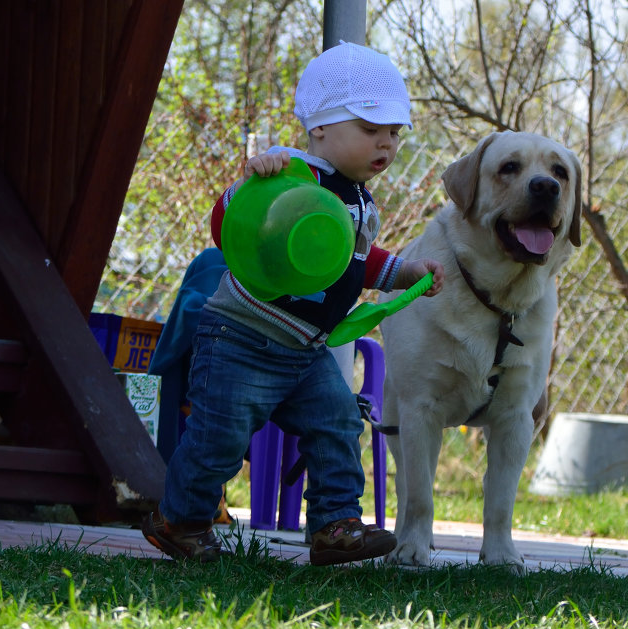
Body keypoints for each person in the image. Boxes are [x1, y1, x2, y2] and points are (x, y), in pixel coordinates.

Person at [144, 41, 445, 566]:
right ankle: (181, 520)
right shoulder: (292, 175)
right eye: (371, 130)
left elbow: (358, 261)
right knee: (220, 435)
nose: (386, 145)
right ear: (321, 128)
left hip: (304, 352)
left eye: (394, 134)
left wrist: (405, 272)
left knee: (338, 424)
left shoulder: (357, 197)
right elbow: (226, 229)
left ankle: (335, 525)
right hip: (241, 339)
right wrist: (249, 183)